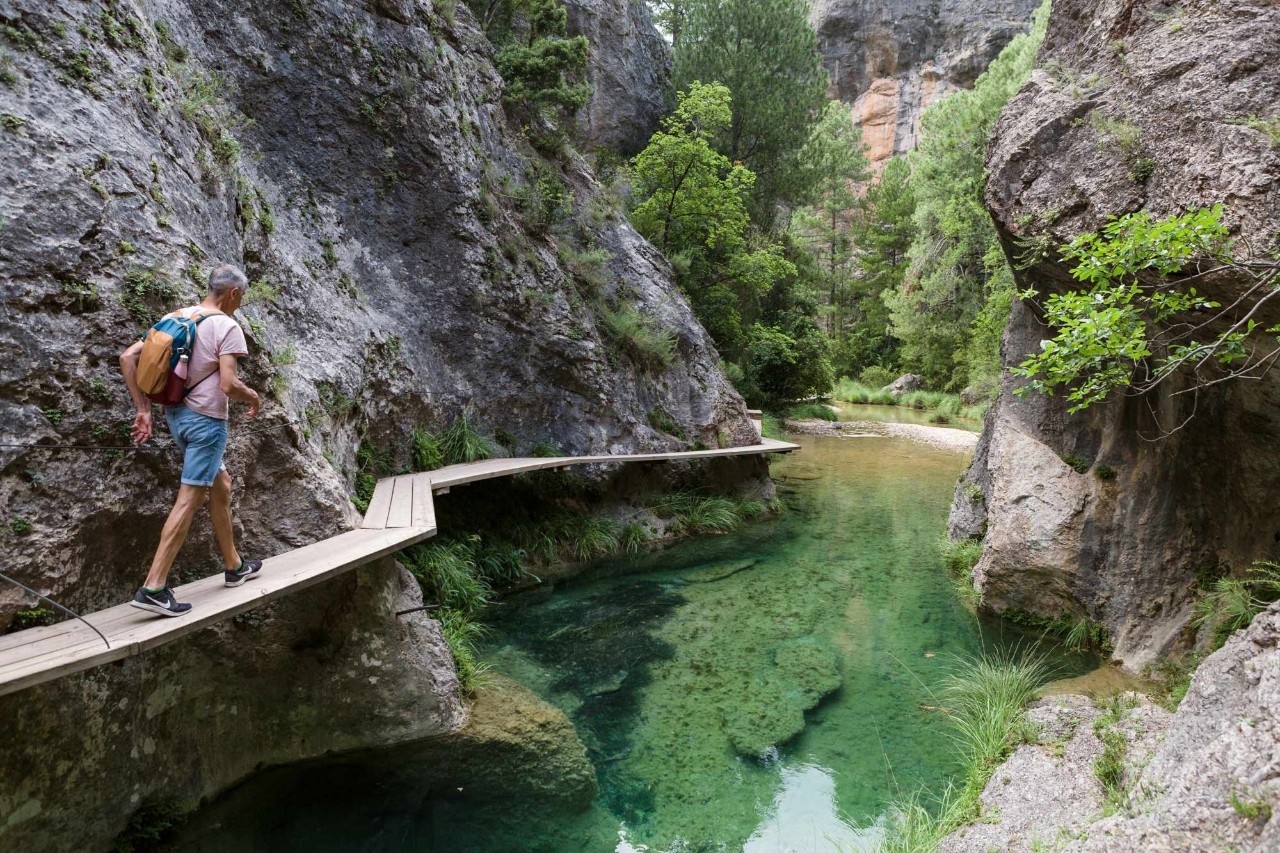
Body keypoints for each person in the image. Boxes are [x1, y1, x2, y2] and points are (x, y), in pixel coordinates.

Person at [119, 263, 263, 616]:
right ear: (233, 293)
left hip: (176, 418)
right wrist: (253, 397)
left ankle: (234, 566)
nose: (240, 303)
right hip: (206, 425)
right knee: (190, 498)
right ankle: (153, 587)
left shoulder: (177, 316)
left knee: (221, 483)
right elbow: (228, 384)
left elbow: (128, 357)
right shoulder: (227, 326)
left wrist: (143, 410)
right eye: (241, 297)